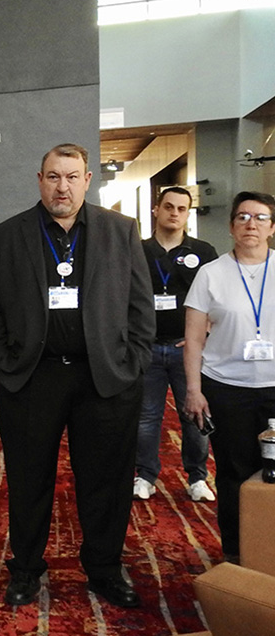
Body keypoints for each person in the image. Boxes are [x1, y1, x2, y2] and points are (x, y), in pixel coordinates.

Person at [0, 143, 154, 609]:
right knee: (29, 479)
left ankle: (105, 569)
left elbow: (140, 304)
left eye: (72, 177)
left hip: (105, 379)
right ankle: (26, 569)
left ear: (87, 180)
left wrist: (133, 361)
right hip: (32, 379)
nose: (63, 187)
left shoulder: (120, 230)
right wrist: (1, 363)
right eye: (54, 176)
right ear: (40, 180)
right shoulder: (7, 235)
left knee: (106, 482)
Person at [183, 191, 275, 564]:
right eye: (242, 217)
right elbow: (193, 338)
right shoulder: (211, 273)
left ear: (272, 227)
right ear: (232, 226)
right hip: (227, 388)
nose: (251, 224)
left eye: (260, 217)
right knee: (234, 473)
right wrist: (193, 390)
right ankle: (238, 553)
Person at [133, 186, 218, 502]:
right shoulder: (137, 250)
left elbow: (217, 297)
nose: (174, 213)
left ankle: (197, 477)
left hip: (188, 349)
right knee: (146, 417)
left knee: (195, 416)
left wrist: (204, 334)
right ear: (156, 209)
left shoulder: (203, 251)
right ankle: (145, 476)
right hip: (148, 347)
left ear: (188, 213)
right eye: (169, 206)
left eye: (182, 208)